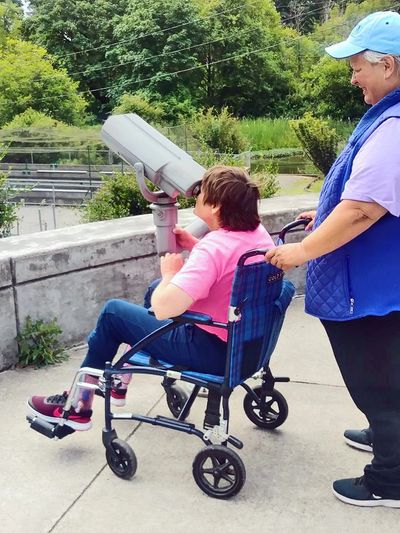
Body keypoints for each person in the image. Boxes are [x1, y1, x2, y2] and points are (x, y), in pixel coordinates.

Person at [265, 11, 400, 508]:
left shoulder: (394, 127)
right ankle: (389, 438)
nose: (352, 76)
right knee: (389, 374)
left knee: (377, 380)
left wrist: (301, 250)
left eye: (357, 66)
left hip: (368, 287)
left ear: (387, 65)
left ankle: (390, 479)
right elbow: (373, 197)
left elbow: (364, 209)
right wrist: (323, 209)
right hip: (384, 279)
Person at [27, 165, 275, 432]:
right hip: (246, 348)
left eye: (202, 191)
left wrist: (170, 274)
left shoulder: (214, 249)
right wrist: (195, 244)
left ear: (215, 207)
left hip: (211, 351)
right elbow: (228, 265)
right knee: (154, 288)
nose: (197, 194)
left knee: (113, 313)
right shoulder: (258, 236)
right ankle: (121, 378)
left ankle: (77, 407)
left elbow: (163, 309)